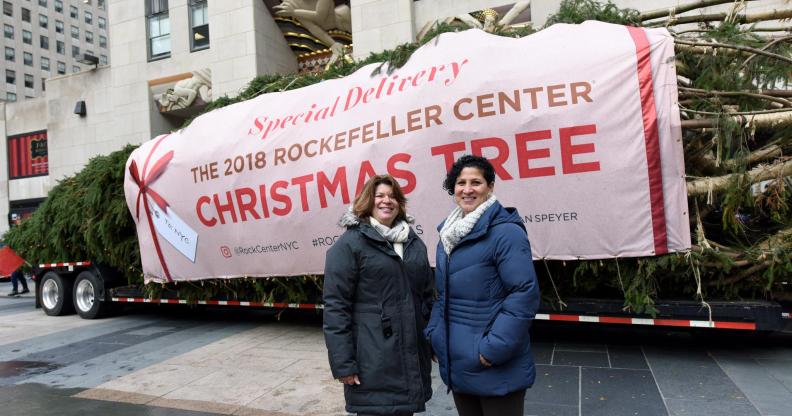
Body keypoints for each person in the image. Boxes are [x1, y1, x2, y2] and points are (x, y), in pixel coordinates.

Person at [425, 155, 540, 416]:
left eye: (476, 182)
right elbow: (443, 296)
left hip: (493, 362)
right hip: (457, 359)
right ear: (452, 189)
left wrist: (494, 348)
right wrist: (435, 336)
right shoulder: (448, 235)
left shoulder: (506, 233)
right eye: (460, 182)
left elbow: (523, 293)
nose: (467, 189)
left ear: (490, 186)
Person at [323, 174, 434, 416]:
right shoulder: (350, 244)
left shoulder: (413, 243)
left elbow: (427, 298)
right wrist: (344, 364)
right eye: (380, 195)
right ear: (367, 201)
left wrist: (433, 343)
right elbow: (336, 308)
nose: (387, 201)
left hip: (409, 358)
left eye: (393, 196)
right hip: (372, 361)